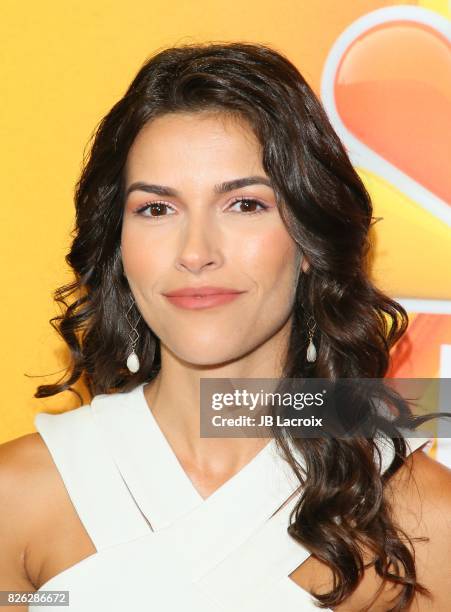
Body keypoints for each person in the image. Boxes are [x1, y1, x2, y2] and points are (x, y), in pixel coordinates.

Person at [0, 42, 450, 612]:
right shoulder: (16, 499)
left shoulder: (426, 522)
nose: (196, 253)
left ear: (310, 239)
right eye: (156, 209)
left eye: (244, 204)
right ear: (119, 244)